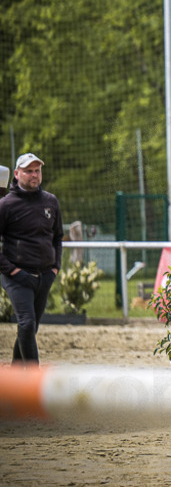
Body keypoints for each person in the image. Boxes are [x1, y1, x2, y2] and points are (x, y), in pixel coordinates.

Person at [0, 153, 62, 364]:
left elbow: (58, 237)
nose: (34, 175)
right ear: (16, 174)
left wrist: (55, 268)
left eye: (37, 170)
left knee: (29, 329)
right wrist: (13, 271)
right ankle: (34, 381)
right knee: (26, 324)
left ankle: (17, 377)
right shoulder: (5, 205)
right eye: (28, 171)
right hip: (16, 276)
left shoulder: (51, 201)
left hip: (44, 276)